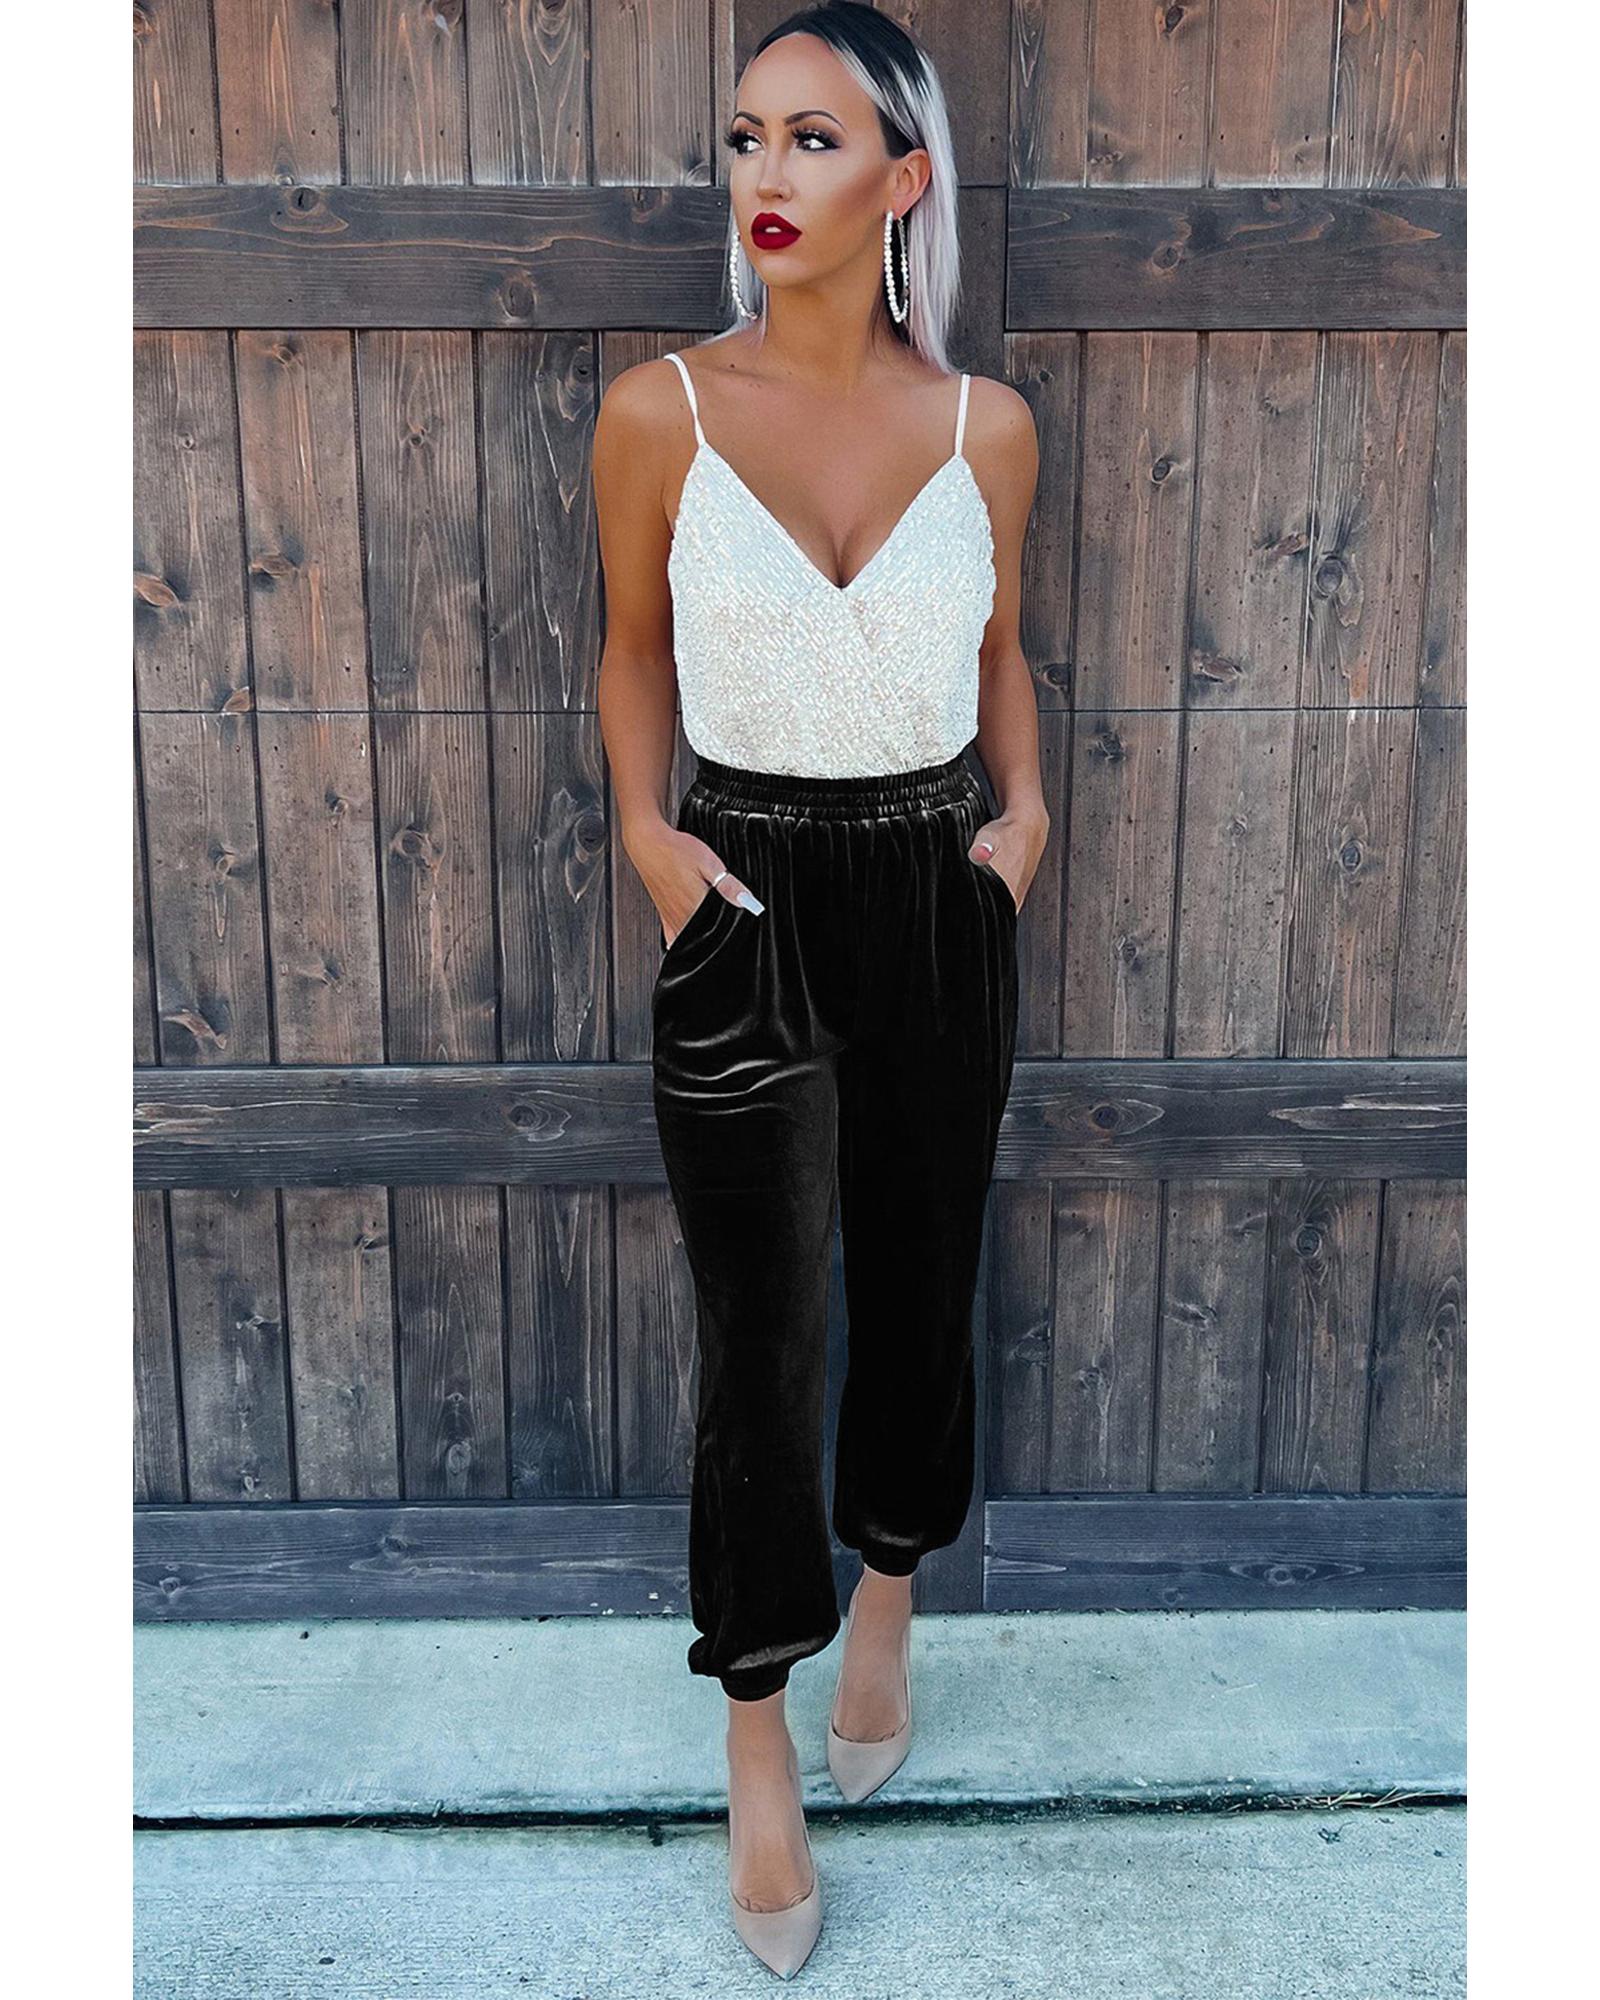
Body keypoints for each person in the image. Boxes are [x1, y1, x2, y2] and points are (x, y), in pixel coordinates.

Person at [592, 2, 1044, 1977]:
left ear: (902, 177)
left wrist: (1021, 825)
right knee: (759, 1328)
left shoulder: (986, 429)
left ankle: (889, 1600)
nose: (765, 176)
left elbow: (1001, 644)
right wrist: (653, 844)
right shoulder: (658, 415)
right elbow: (631, 650)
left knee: (922, 1282)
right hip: (745, 897)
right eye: (745, 138)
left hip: (937, 889)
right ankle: (753, 1729)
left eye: (813, 138)